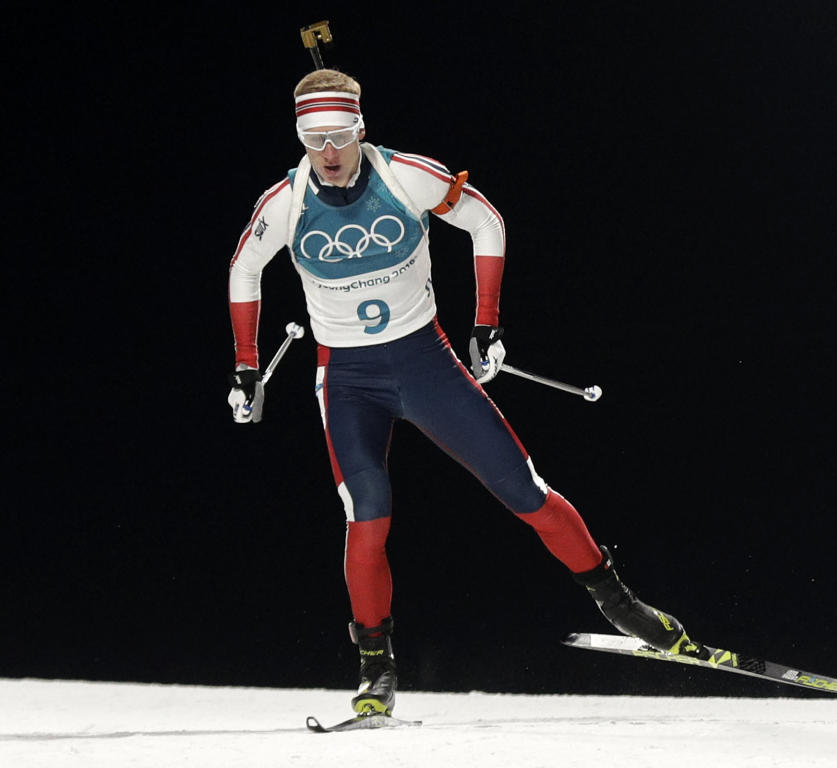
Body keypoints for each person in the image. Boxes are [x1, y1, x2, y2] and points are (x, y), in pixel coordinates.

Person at [227, 68, 705, 717]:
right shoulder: (285, 201)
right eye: (316, 138)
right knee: (367, 511)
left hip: (425, 361)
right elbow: (245, 268)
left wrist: (487, 324)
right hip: (348, 379)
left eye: (340, 134)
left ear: (360, 128)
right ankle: (375, 669)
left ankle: (621, 604)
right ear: (301, 136)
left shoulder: (405, 176)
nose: (330, 152)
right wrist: (246, 368)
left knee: (524, 490)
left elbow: (487, 222)